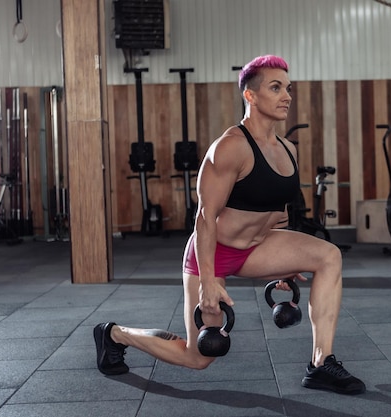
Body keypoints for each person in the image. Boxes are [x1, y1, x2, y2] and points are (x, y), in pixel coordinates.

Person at [94, 54, 366, 395]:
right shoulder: (230, 148)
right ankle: (114, 334)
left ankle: (321, 362)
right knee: (197, 357)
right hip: (213, 253)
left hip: (257, 247)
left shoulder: (287, 149)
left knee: (328, 256)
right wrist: (208, 281)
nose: (287, 96)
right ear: (250, 96)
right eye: (276, 87)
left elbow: (278, 213)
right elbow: (205, 218)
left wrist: (287, 264)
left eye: (288, 88)